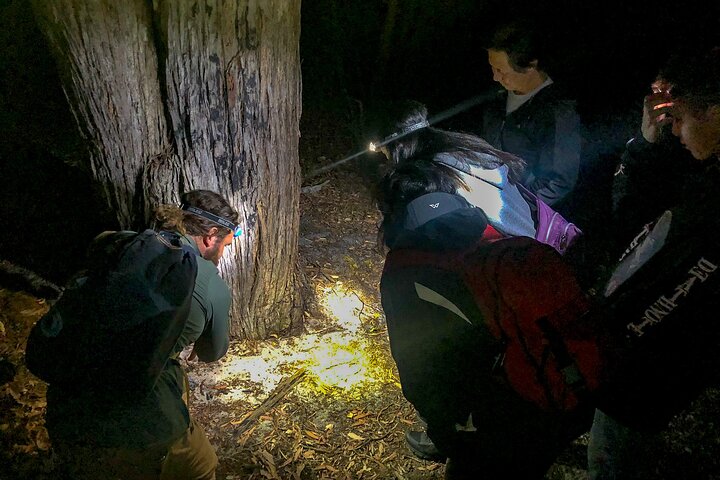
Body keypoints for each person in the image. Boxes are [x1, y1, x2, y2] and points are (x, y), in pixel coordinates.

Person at [376, 158, 594, 478]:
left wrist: (445, 429)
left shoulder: (404, 270)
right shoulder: (489, 228)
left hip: (503, 410)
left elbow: (419, 371)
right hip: (564, 385)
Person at [586, 46, 720, 479]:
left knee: (612, 457)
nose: (675, 131)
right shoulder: (703, 173)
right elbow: (633, 223)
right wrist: (645, 144)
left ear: (715, 112)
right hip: (634, 349)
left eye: (678, 118)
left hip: (656, 366)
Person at [42, 189, 239, 479]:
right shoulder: (211, 285)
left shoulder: (123, 246)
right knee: (202, 467)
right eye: (225, 244)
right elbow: (212, 352)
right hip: (137, 429)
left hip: (64, 411)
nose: (223, 254)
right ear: (210, 236)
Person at [457, 20, 582, 210]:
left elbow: (556, 183)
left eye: (501, 70)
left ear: (530, 65)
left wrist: (509, 208)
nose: (495, 77)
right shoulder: (496, 96)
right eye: (493, 67)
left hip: (511, 212)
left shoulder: (557, 114)